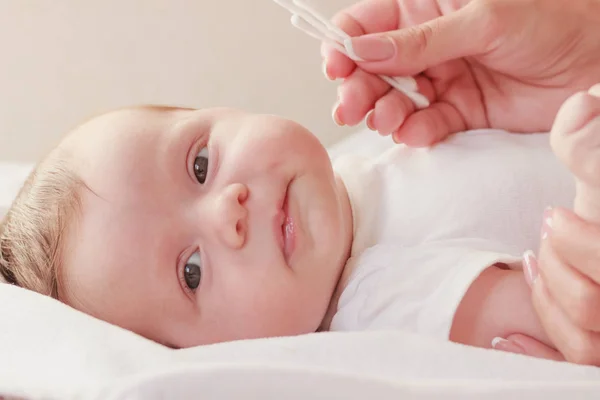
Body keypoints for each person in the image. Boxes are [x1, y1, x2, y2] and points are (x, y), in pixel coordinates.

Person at [0, 0, 597, 365]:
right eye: (192, 272)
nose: (228, 211)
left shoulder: (374, 156)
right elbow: (566, 314)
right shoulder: (381, 302)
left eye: (200, 165)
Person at [321, 0, 600, 364]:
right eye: (216, 278)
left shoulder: (383, 160)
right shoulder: (372, 300)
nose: (230, 207)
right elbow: (560, 317)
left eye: (216, 157)